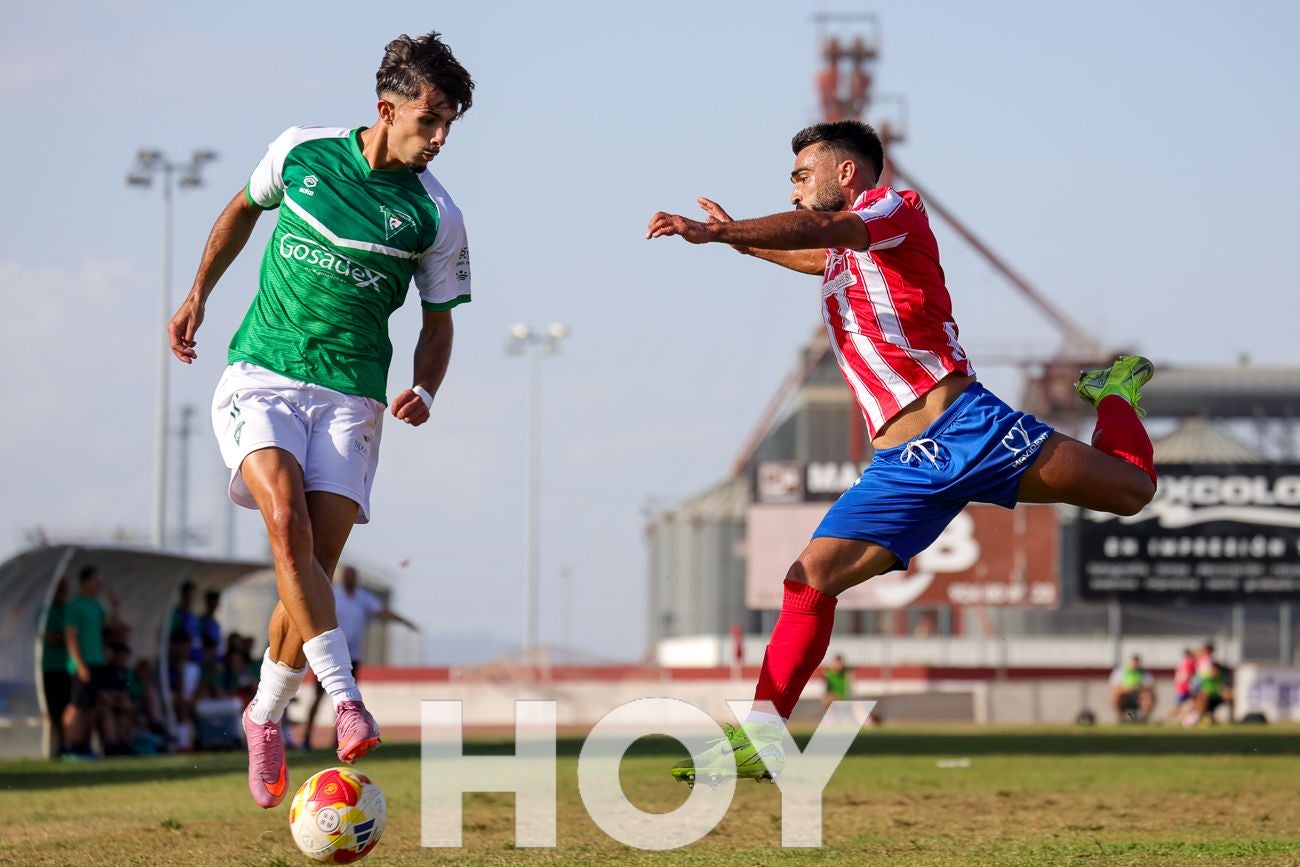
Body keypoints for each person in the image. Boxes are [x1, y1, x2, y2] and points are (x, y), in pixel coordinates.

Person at [647, 120, 1158, 785]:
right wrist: (737, 243)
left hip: (969, 430)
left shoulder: (894, 209)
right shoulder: (846, 249)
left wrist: (727, 231)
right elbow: (816, 253)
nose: (796, 190)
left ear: (847, 173)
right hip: (901, 468)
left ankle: (1115, 392)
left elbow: (821, 235)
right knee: (809, 577)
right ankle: (761, 739)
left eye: (803, 175)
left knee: (1132, 491)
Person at [167, 31, 474, 808]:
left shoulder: (436, 214)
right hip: (261, 374)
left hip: (352, 398)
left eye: (450, 127)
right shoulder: (301, 152)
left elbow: (440, 322)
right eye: (430, 121)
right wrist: (201, 290)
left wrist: (426, 388)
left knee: (310, 573)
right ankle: (346, 700)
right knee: (283, 520)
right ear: (387, 109)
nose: (439, 139)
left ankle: (263, 712)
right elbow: (241, 208)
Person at [302, 566, 420, 750]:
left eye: (353, 577)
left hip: (352, 656)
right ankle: (306, 739)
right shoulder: (334, 594)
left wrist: (404, 622)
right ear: (343, 578)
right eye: (348, 576)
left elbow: (382, 611)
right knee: (317, 697)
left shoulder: (362, 597)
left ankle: (340, 739)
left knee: (346, 700)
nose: (350, 580)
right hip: (329, 655)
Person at [62, 566, 124, 757]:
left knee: (91, 706)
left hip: (97, 662)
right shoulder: (74, 606)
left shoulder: (96, 607)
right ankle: (70, 746)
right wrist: (79, 665)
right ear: (86, 582)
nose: (99, 584)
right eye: (96, 580)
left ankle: (83, 745)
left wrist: (115, 605)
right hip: (82, 664)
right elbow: (70, 637)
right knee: (76, 706)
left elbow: (114, 626)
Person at [41, 579, 71, 756]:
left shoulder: (66, 611)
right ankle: (56, 747)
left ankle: (67, 745)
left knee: (66, 709)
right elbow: (52, 638)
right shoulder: (46, 613)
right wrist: (72, 638)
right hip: (50, 669)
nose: (63, 595)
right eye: (60, 590)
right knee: (54, 710)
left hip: (66, 668)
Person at [1109, 654, 1155, 723]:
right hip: (1125, 696)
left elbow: (1150, 687)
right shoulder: (1121, 672)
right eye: (1133, 662)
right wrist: (1129, 689)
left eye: (1137, 662)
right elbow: (1114, 688)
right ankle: (1121, 718)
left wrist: (1139, 688)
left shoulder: (1145, 673)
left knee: (1148, 697)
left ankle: (1143, 719)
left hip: (1139, 697)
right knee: (1115, 697)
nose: (1135, 664)